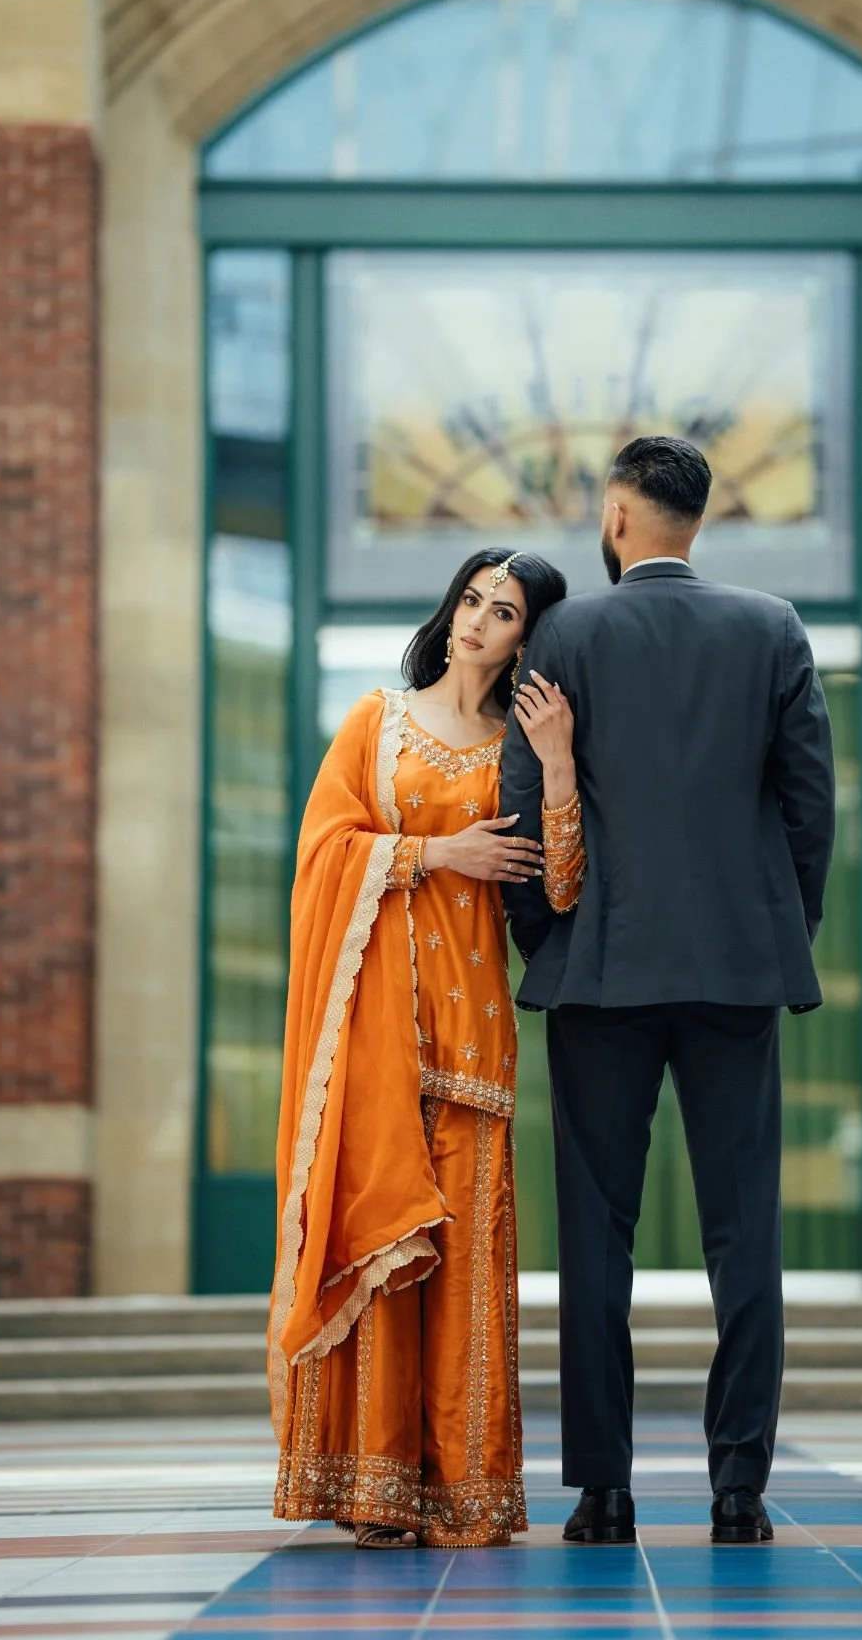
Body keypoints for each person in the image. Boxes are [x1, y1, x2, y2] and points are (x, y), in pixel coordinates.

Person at [501, 436, 837, 1548]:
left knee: (597, 1234)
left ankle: (603, 1490)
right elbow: (807, 801)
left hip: (601, 974)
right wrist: (777, 926)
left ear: (616, 515)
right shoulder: (772, 628)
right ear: (698, 522)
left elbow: (518, 800)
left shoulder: (566, 633)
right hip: (736, 969)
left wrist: (549, 940)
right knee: (747, 1234)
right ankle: (738, 1484)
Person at [269, 545, 576, 1550]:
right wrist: (433, 853)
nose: (478, 619)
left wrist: (562, 760)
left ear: (528, 635)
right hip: (377, 1041)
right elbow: (321, 854)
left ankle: (465, 1491)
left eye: (504, 610)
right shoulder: (375, 721)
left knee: (465, 1270)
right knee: (381, 1243)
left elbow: (562, 884)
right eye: (472, 598)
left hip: (475, 1037)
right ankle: (373, 1485)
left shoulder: (516, 751)